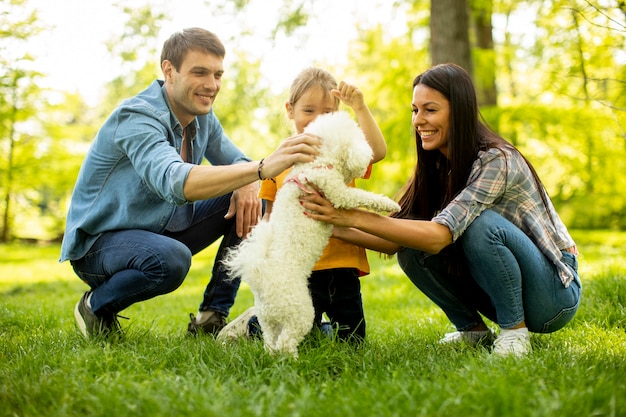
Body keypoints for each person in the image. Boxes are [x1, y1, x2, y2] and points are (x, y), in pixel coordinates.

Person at [301, 63, 582, 356]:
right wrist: (329, 223)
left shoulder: (497, 160)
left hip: (552, 294)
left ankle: (514, 333)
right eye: (415, 110)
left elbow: (439, 236)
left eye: (430, 110)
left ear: (458, 111)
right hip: (510, 288)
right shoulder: (436, 164)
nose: (419, 120)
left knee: (480, 225)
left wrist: (350, 214)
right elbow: (392, 241)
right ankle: (473, 331)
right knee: (412, 244)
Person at [61, 27, 321, 339]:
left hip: (158, 228)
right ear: (169, 70)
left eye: (218, 74)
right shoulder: (137, 117)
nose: (212, 85)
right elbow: (176, 182)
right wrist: (261, 169)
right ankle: (95, 305)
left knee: (243, 196)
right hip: (100, 245)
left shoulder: (202, 118)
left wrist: (249, 180)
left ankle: (211, 316)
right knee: (170, 259)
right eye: (200, 73)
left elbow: (238, 162)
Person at [215, 67, 387, 344]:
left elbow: (376, 152)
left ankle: (317, 327)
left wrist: (360, 107)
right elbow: (269, 223)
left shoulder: (341, 156)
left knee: (353, 342)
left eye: (328, 112)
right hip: (301, 269)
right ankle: (253, 323)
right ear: (290, 110)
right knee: (296, 328)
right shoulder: (277, 165)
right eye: (308, 111)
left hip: (343, 265)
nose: (317, 120)